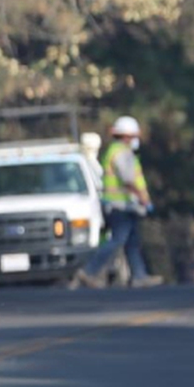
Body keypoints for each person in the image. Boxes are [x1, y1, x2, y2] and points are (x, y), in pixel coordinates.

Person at [76, 116, 158, 288]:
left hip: (123, 204)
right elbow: (129, 180)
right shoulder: (122, 153)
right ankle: (89, 271)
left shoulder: (115, 151)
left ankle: (139, 275)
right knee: (118, 240)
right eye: (134, 136)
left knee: (132, 241)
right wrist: (144, 199)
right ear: (127, 136)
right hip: (120, 205)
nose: (136, 139)